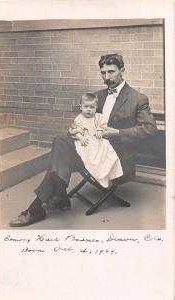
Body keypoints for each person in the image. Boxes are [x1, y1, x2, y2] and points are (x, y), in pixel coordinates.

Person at [9, 53, 157, 227]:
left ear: (122, 70)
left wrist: (116, 132)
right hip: (89, 148)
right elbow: (82, 122)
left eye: (111, 72)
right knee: (60, 140)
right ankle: (57, 195)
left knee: (60, 152)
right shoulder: (97, 96)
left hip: (116, 155)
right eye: (103, 73)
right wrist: (75, 132)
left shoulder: (137, 99)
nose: (107, 77)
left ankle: (44, 204)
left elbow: (150, 129)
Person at [69, 92, 123, 188]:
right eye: (86, 107)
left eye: (92, 107)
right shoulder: (79, 119)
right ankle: (97, 173)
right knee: (89, 153)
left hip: (97, 140)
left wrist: (99, 131)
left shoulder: (98, 117)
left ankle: (106, 173)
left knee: (106, 147)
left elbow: (102, 126)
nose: (89, 109)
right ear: (80, 107)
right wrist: (80, 137)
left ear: (96, 108)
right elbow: (75, 131)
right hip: (86, 140)